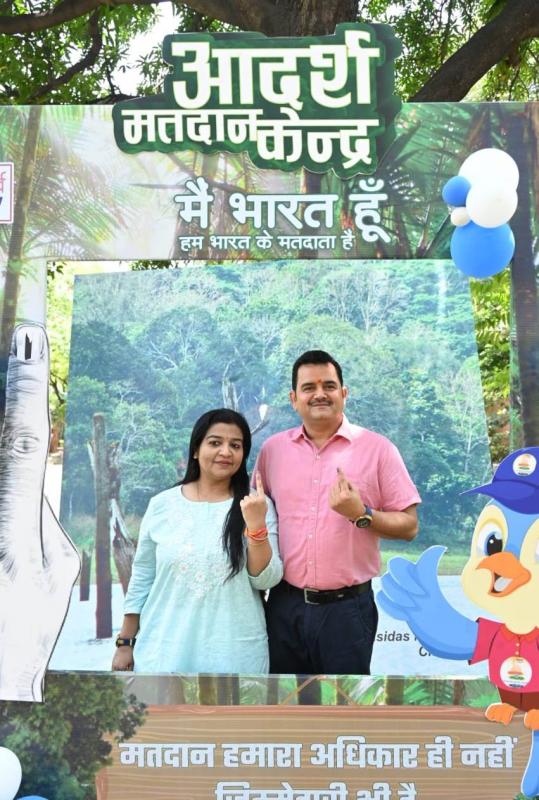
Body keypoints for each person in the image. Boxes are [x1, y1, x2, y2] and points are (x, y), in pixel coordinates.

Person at [255, 350, 421, 675]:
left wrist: (362, 513)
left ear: (344, 393)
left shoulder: (378, 449)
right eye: (309, 387)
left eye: (329, 385)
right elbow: (260, 520)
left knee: (344, 712)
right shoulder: (272, 451)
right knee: (285, 709)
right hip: (284, 606)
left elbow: (409, 526)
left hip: (347, 610)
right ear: (294, 398)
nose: (319, 394)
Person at [112, 408, 282, 673]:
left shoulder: (257, 505)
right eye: (215, 443)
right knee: (166, 715)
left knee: (233, 715)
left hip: (235, 653)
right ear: (195, 450)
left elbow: (266, 580)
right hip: (164, 649)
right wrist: (125, 642)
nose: (226, 452)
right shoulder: (161, 505)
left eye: (235, 445)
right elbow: (143, 576)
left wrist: (256, 526)